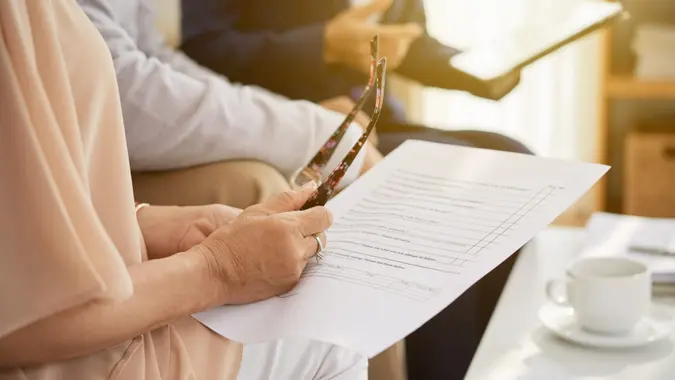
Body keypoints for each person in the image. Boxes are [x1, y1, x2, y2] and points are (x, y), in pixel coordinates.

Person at [0, 1, 368, 379]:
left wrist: (145, 219)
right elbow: (34, 311)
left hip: (97, 314)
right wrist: (220, 268)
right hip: (85, 358)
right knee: (335, 345)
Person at [180, 0, 530, 377]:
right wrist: (322, 44)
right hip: (304, 120)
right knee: (446, 192)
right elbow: (203, 48)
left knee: (516, 161)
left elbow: (403, 40)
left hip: (377, 118)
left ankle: (488, 365)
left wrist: (481, 71)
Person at [77, 0, 383, 210]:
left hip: (357, 107)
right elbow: (118, 95)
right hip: (76, 156)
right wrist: (318, 134)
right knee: (260, 188)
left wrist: (310, 122)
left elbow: (153, 54)